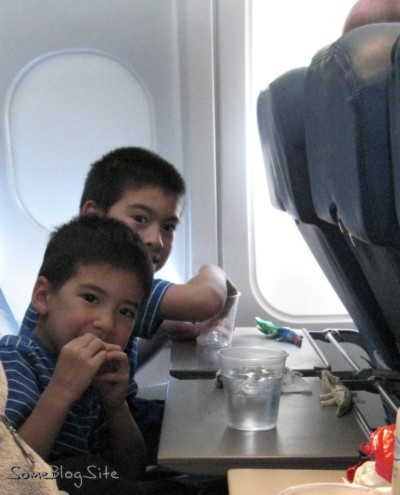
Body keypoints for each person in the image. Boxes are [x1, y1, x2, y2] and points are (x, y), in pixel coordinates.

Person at [19, 147, 236, 465]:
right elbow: (205, 301)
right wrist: (214, 271)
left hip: (102, 440)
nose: (156, 240)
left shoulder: (124, 293)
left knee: (199, 422)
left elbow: (130, 468)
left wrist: (162, 334)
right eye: (140, 219)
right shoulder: (19, 359)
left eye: (168, 227)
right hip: (64, 469)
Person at [0, 215, 200, 494]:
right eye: (91, 298)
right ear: (44, 297)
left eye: (126, 312)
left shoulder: (96, 374)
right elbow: (12, 474)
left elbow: (129, 469)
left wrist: (115, 406)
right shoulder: (15, 360)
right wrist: (61, 391)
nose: (107, 323)